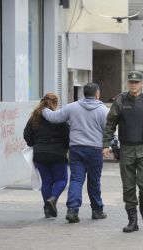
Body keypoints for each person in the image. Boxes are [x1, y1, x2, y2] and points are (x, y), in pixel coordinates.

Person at [102, 71, 143, 233]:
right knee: (128, 187)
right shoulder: (120, 101)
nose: (133, 85)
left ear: (141, 84)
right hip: (126, 149)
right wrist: (105, 144)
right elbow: (110, 124)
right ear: (128, 83)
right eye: (131, 82)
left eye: (136, 82)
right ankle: (133, 221)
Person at [41, 83, 109, 223]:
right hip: (95, 150)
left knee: (76, 180)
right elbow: (109, 131)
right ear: (97, 93)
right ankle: (97, 211)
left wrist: (44, 110)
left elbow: (55, 117)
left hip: (76, 149)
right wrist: (110, 145)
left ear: (83, 94)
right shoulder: (103, 110)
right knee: (94, 181)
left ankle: (72, 210)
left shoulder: (72, 107)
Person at [23, 93, 69, 219]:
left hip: (40, 155)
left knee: (47, 182)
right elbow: (68, 135)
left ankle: (47, 209)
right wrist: (66, 147)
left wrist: (34, 144)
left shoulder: (34, 117)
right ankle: (53, 199)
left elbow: (27, 134)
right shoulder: (59, 118)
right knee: (62, 180)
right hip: (58, 154)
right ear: (55, 103)